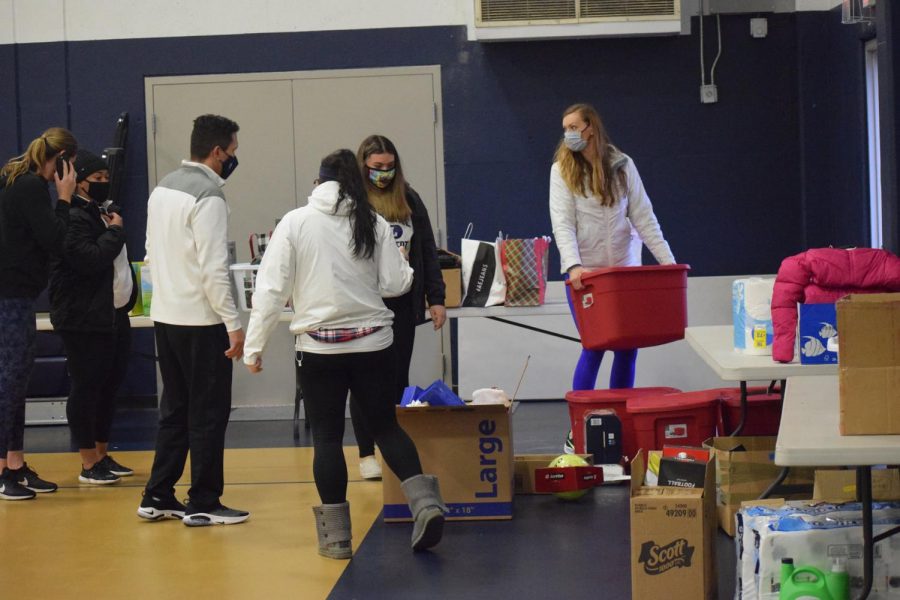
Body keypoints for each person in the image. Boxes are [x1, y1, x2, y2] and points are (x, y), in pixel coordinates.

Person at [243, 149, 446, 558]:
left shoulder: (295, 222)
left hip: (319, 349)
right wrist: (404, 267)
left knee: (328, 438)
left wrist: (255, 345)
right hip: (373, 344)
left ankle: (336, 539)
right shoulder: (372, 221)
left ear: (318, 183)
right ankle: (425, 505)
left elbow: (270, 290)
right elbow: (395, 284)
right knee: (386, 427)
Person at [137, 114, 249, 526]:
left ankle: (158, 494)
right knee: (208, 412)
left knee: (176, 408)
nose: (234, 160)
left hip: (166, 318)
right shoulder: (209, 197)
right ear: (217, 152)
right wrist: (233, 323)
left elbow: (149, 252)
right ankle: (204, 500)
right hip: (203, 323)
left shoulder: (162, 188)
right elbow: (214, 268)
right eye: (233, 152)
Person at [549, 103, 675, 391]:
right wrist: (573, 265)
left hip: (624, 273)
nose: (568, 134)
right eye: (565, 129)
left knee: (628, 349)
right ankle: (579, 426)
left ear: (590, 128)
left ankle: (622, 418)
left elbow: (644, 217)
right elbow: (563, 223)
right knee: (593, 347)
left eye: (573, 127)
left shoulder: (623, 165)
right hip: (587, 276)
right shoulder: (561, 171)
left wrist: (668, 264)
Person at [349, 135, 446, 480]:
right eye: (377, 168)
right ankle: (365, 454)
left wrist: (436, 298)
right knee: (363, 382)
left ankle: (394, 447)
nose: (384, 174)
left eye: (390, 167)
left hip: (403, 305)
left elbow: (428, 251)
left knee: (395, 378)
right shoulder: (354, 203)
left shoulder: (410, 199)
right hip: (365, 304)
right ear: (363, 166)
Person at [49, 150, 137, 485]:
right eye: (96, 179)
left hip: (113, 313)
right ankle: (87, 462)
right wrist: (115, 232)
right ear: (80, 182)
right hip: (83, 316)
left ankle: (102, 453)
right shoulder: (73, 217)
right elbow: (90, 259)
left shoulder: (100, 213)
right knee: (86, 387)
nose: (104, 184)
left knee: (109, 385)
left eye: (105, 178)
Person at [0, 127, 78, 500]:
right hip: (10, 297)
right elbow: (56, 240)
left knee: (13, 381)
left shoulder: (12, 177)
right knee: (10, 382)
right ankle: (5, 471)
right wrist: (63, 199)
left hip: (15, 295)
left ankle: (14, 464)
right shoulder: (30, 187)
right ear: (60, 161)